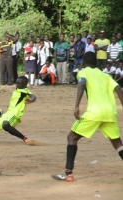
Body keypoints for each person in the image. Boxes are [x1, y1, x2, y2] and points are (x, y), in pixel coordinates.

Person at [51, 52, 123, 182]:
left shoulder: (84, 72)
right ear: (96, 63)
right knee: (117, 143)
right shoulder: (105, 75)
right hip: (110, 112)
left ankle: (68, 173)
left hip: (95, 112)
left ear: (83, 63)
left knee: (72, 137)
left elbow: (82, 83)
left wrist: (77, 105)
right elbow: (118, 88)